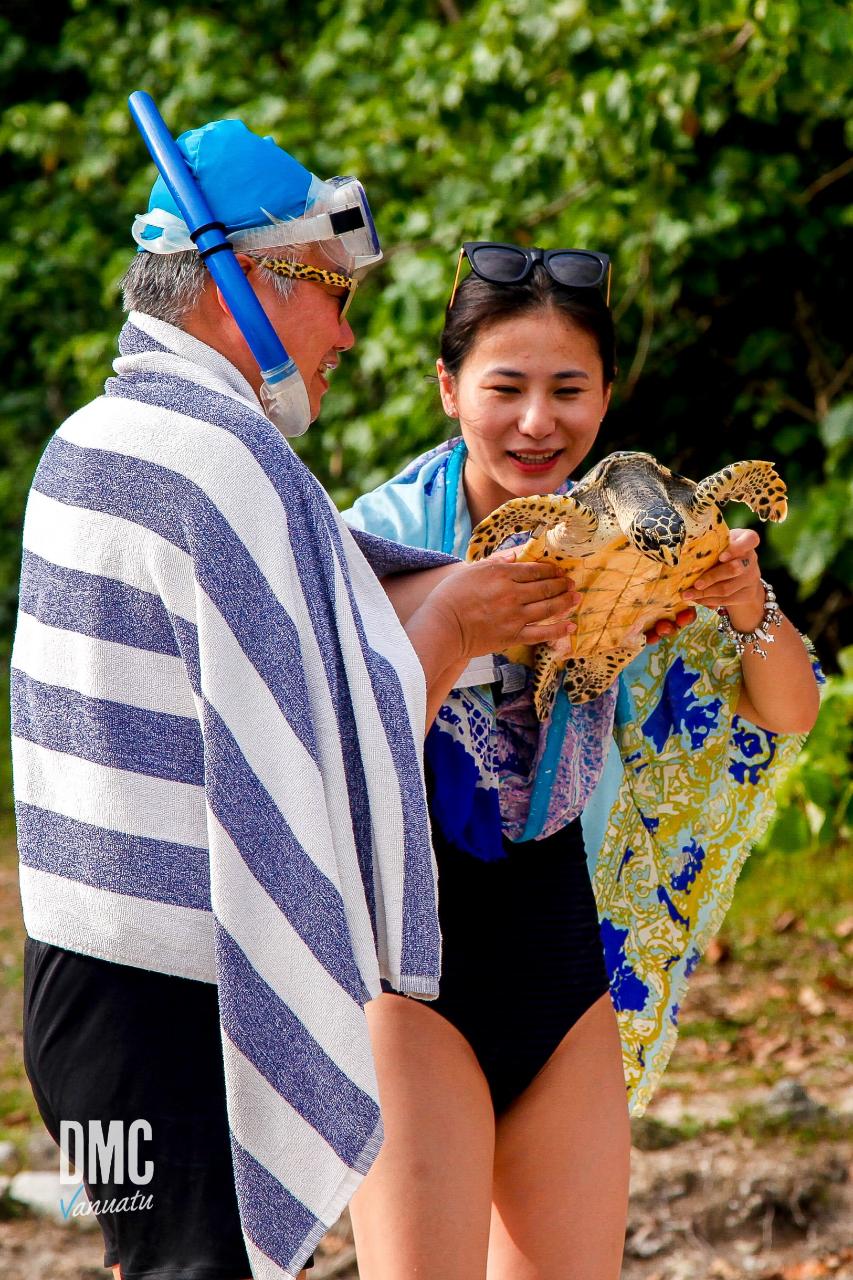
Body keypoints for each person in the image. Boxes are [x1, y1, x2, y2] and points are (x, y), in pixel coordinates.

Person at [11, 131, 580, 1280]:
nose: (346, 334)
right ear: (250, 286)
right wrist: (463, 624)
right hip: (174, 1014)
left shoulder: (97, 438)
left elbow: (334, 601)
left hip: (82, 1003)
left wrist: (469, 595)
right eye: (332, 294)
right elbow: (325, 747)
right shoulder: (223, 462)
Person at [344, 242, 822, 1279]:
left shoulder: (637, 534)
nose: (535, 421)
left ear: (607, 394)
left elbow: (789, 709)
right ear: (446, 386)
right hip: (409, 974)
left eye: (567, 389)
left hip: (563, 971)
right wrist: (463, 623)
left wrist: (744, 604)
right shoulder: (364, 549)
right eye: (504, 387)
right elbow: (340, 746)